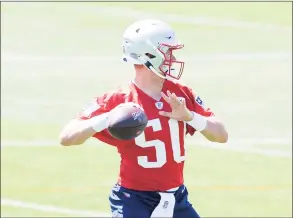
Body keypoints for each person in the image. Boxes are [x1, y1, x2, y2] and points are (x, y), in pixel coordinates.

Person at [59, 19, 228, 218]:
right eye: (167, 52)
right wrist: (106, 118)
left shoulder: (180, 94)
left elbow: (221, 135)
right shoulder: (119, 100)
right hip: (133, 200)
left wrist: (190, 117)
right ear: (149, 54)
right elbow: (67, 137)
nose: (171, 57)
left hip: (177, 199)